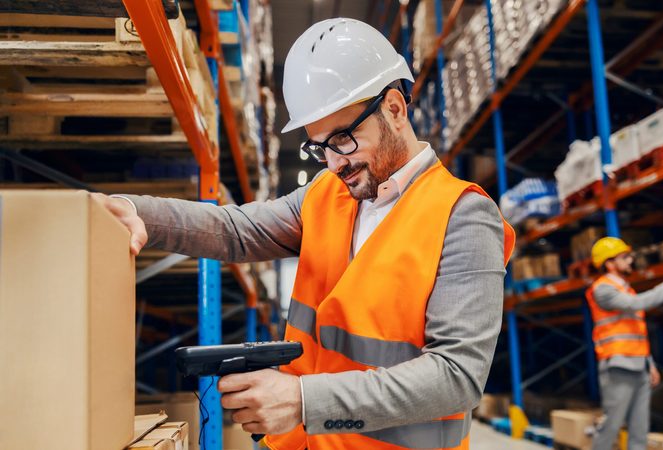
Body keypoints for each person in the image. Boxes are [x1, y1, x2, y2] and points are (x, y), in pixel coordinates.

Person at [94, 18, 515, 450]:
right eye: (320, 147)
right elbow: (237, 230)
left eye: (344, 139)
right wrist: (138, 211)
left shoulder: (463, 216)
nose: (334, 162)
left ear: (394, 108)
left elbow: (456, 376)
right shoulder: (326, 195)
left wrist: (302, 400)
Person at [586, 237, 663, 450]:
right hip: (618, 366)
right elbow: (638, 303)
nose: (630, 260)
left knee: (640, 429)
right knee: (612, 425)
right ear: (609, 263)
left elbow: (637, 332)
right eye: (624, 257)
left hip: (639, 366)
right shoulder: (602, 290)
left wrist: (649, 364)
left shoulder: (627, 289)